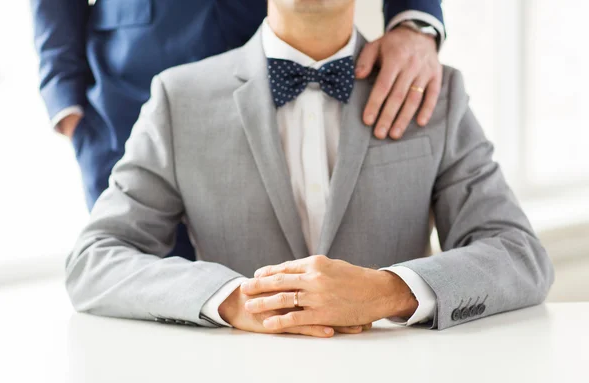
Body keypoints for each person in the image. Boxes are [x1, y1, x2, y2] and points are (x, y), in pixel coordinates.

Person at [65, 0, 554, 337]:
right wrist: (234, 300)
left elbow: (520, 255)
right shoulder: (179, 99)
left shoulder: (433, 93)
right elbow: (95, 259)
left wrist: (390, 292)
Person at [31, 1, 444, 260]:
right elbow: (104, 266)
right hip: (129, 85)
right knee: (146, 299)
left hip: (280, 42)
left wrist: (414, 21)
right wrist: (63, 93)